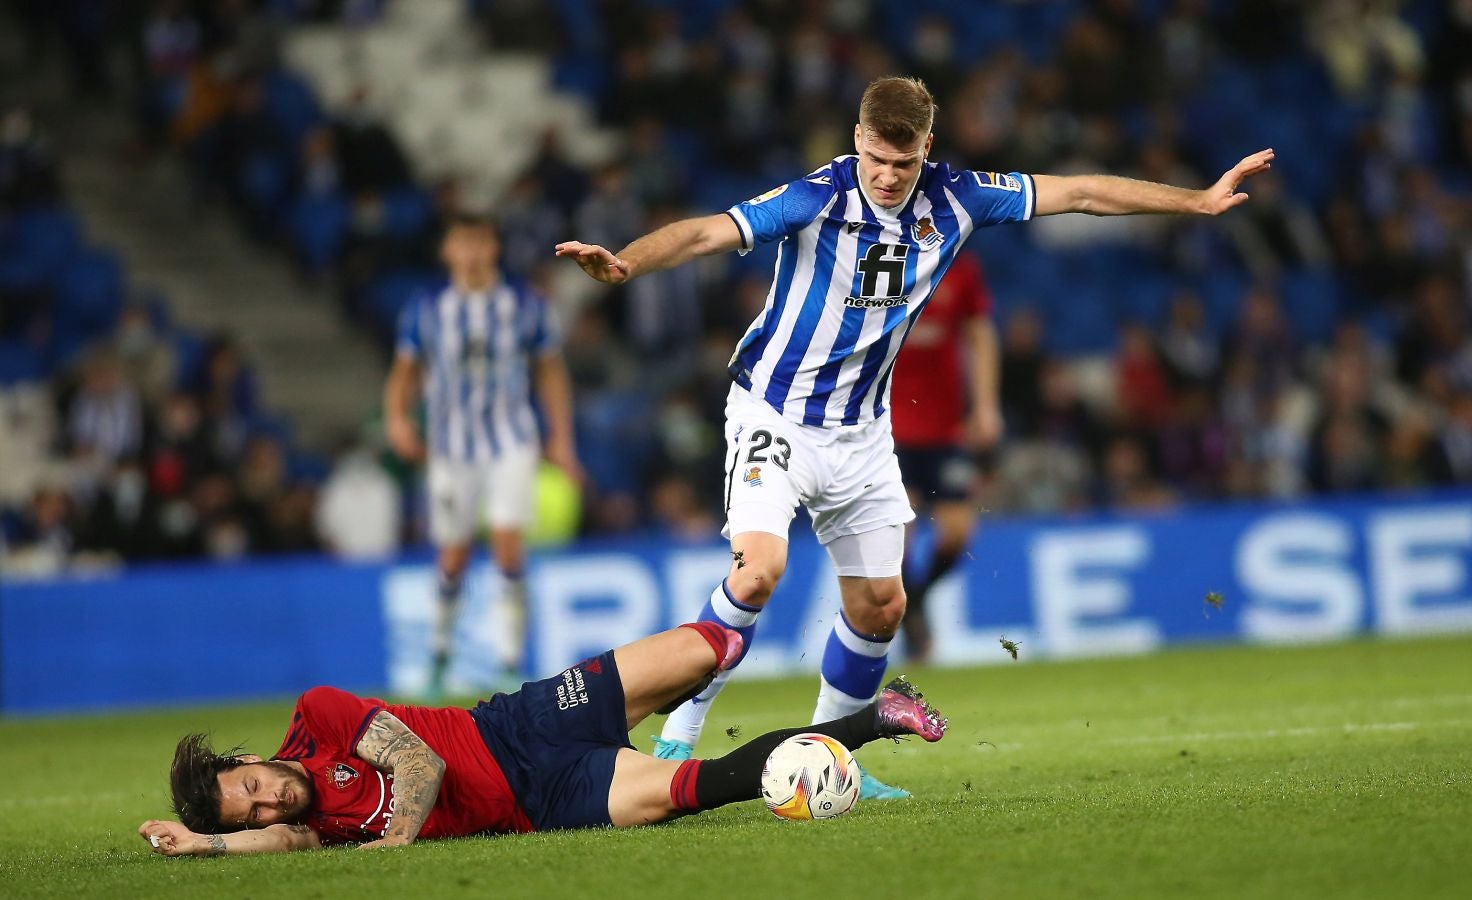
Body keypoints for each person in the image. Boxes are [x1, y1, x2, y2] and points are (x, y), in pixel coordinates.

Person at [556, 75, 1273, 799]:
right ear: (858, 141)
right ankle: (681, 728)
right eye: (876, 159)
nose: (888, 177)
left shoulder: (959, 196)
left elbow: (1082, 191)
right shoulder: (818, 196)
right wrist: (628, 262)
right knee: (759, 570)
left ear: (926, 148)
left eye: (904, 164)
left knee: (882, 606)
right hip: (775, 413)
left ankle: (832, 757)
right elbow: (709, 230)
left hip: (863, 433)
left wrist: (1199, 201)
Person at [137, 622, 947, 855]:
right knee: (701, 787)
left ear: (248, 761)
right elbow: (284, 849)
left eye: (249, 791)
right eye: (250, 817)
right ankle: (873, 719)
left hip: (522, 722)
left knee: (711, 646)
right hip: (543, 802)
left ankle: (687, 709)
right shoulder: (306, 829)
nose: (266, 804)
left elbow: (415, 762)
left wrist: (396, 842)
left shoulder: (318, 716)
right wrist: (200, 846)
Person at [385, 213, 582, 695]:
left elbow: (551, 373)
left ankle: (510, 661)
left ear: (493, 247)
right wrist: (397, 419)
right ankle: (439, 655)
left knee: (508, 545)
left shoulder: (525, 304)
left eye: (480, 242)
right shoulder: (427, 308)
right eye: (462, 242)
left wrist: (560, 437)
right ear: (447, 250)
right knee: (452, 555)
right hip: (450, 449)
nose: (471, 252)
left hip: (511, 441)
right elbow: (404, 372)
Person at [888, 250, 1000, 665]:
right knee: (897, 538)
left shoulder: (960, 267)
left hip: (946, 427)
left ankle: (915, 599)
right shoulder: (875, 263)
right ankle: (911, 620)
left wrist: (986, 406)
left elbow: (980, 335)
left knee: (957, 535)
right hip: (887, 428)